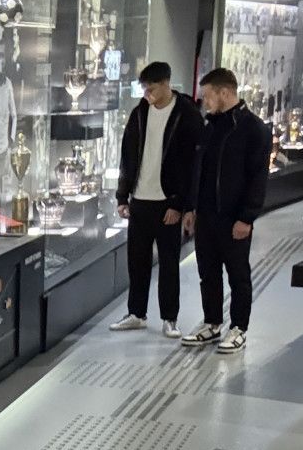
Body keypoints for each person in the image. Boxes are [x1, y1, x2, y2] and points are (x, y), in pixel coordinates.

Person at [181, 67, 271, 354]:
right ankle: (212, 323)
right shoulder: (209, 127)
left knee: (237, 274)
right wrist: (191, 207)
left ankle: (239, 327)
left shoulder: (253, 129)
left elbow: (258, 177)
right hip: (206, 215)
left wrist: (247, 217)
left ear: (225, 92)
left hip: (234, 217)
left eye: (208, 96)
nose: (205, 101)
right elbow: (198, 170)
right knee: (207, 272)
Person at [110, 62, 203, 338]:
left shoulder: (186, 114)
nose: (147, 93)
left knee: (169, 262)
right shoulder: (139, 113)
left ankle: (169, 318)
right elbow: (127, 156)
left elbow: (193, 164)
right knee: (137, 261)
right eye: (144, 89)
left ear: (165, 84)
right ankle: (136, 313)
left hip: (167, 202)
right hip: (139, 199)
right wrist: (122, 195)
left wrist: (180, 204)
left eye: (151, 88)